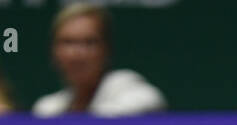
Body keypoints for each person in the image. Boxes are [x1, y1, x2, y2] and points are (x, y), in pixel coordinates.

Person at [32, 3, 165, 117]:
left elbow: (150, 101)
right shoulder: (48, 108)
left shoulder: (130, 89)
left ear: (106, 50)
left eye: (89, 42)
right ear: (53, 51)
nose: (77, 54)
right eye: (68, 42)